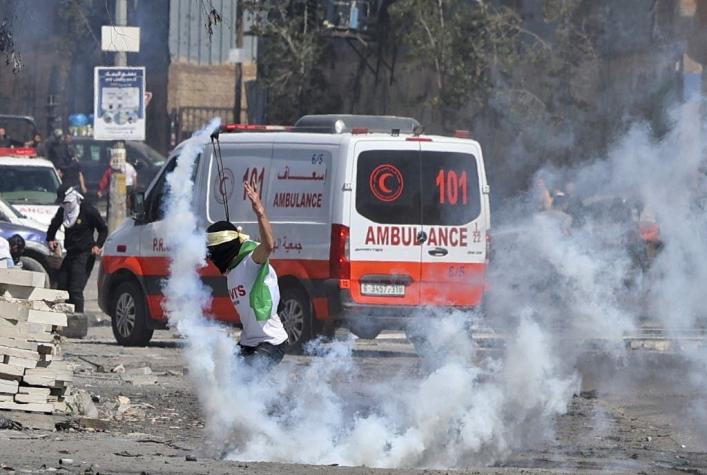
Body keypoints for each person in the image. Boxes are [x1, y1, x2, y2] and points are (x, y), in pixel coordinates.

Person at [205, 182, 288, 367]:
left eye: (214, 253)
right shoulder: (231, 269)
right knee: (225, 378)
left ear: (224, 250)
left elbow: (268, 246)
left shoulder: (249, 261)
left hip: (271, 342)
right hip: (248, 342)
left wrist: (260, 212)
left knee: (247, 380)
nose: (212, 259)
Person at [47, 185, 107, 313]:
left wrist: (98, 245)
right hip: (70, 253)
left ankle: (78, 319)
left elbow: (103, 229)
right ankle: (63, 319)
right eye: (62, 203)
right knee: (62, 286)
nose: (65, 206)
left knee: (75, 289)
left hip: (85, 254)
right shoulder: (63, 211)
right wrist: (50, 239)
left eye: (66, 202)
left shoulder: (87, 210)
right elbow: (54, 225)